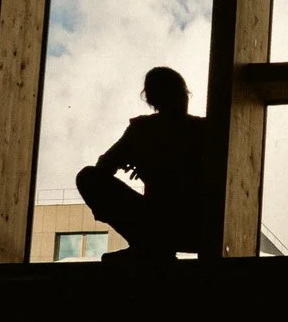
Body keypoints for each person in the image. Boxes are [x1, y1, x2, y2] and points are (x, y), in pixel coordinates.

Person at [74, 67, 214, 262]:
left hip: (158, 225)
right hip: (198, 228)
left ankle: (149, 248)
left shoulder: (142, 130)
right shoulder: (204, 129)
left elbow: (102, 169)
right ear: (183, 94)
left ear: (151, 99)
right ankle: (152, 248)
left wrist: (137, 159)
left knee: (88, 177)